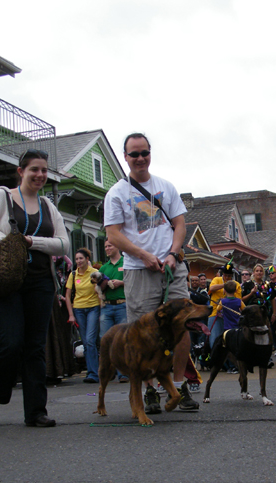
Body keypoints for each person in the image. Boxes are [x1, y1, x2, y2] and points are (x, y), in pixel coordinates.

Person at [0, 148, 69, 427]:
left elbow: (63, 244)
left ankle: (36, 412)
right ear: (21, 171)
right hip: (4, 282)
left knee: (35, 347)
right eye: (34, 169)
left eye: (44, 170)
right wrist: (4, 239)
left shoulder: (48, 206)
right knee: (10, 341)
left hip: (40, 282)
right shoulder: (1, 197)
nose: (40, 174)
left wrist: (32, 242)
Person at [103, 133, 198, 414]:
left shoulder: (165, 187)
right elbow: (113, 234)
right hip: (138, 270)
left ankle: (179, 385)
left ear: (150, 153)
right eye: (134, 154)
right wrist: (143, 256)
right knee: (142, 334)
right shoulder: (116, 193)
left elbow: (180, 224)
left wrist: (173, 254)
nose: (140, 158)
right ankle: (151, 390)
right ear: (125, 157)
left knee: (181, 325)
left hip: (171, 268)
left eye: (144, 152)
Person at [65, 248, 100, 384]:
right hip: (78, 309)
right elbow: (68, 296)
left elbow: (100, 291)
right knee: (85, 342)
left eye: (81, 258)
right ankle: (92, 371)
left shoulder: (94, 272)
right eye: (77, 259)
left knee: (90, 340)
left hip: (93, 307)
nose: (79, 261)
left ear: (87, 259)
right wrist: (71, 314)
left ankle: (94, 373)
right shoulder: (73, 274)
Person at [98, 237, 128, 384]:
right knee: (105, 339)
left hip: (123, 304)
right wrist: (102, 284)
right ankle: (108, 372)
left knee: (122, 339)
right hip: (107, 306)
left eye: (110, 246)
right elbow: (97, 287)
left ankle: (123, 373)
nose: (107, 249)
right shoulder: (103, 268)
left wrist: (121, 283)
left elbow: (133, 281)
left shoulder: (126, 263)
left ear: (117, 246)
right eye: (105, 247)